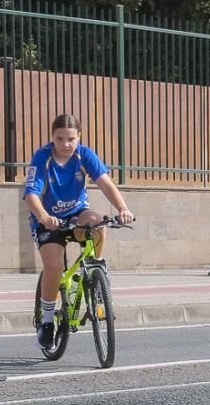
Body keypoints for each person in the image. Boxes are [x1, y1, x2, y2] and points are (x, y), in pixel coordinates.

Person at [24, 113, 133, 352]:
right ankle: (47, 321)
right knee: (53, 267)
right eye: (59, 138)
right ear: (52, 137)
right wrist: (43, 216)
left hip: (76, 212)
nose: (65, 144)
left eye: (71, 139)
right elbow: (31, 194)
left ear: (79, 137)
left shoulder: (85, 155)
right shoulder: (42, 157)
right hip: (48, 219)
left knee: (98, 224)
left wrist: (123, 209)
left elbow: (105, 183)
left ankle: (95, 268)